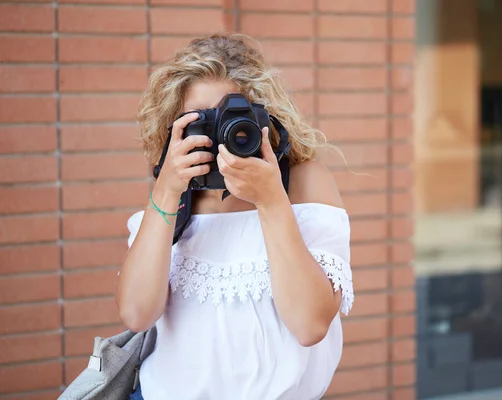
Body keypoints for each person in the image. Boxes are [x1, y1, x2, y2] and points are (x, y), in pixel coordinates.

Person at [116, 33, 354, 400]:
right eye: (200, 122)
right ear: (173, 127)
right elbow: (136, 314)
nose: (216, 135)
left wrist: (272, 200)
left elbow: (310, 325)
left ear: (264, 117)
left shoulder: (303, 184)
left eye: (230, 118)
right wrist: (166, 191)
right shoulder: (174, 197)